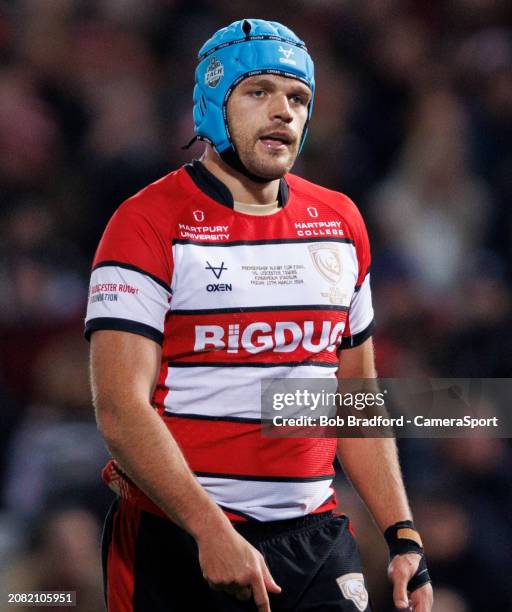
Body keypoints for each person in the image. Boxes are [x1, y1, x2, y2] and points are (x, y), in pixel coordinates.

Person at [86, 18, 433, 612]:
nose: (283, 111)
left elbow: (352, 394)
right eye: (259, 91)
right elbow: (120, 408)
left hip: (313, 538)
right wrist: (209, 530)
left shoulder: (341, 223)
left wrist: (402, 534)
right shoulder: (146, 223)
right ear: (213, 104)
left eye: (298, 97)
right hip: (176, 540)